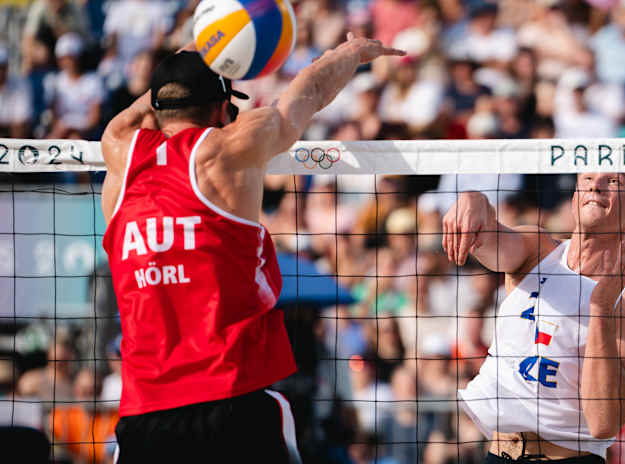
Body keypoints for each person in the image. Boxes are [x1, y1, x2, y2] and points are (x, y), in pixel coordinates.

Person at [99, 35, 403, 462]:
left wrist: (176, 72)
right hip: (232, 397)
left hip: (145, 411)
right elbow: (309, 92)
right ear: (222, 109)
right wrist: (348, 54)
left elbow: (125, 122)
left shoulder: (117, 160)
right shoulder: (229, 151)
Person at [443, 172, 625, 463]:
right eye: (587, 179)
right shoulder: (536, 249)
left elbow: (603, 423)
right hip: (499, 454)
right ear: (574, 199)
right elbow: (484, 238)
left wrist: (600, 310)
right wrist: (473, 199)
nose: (595, 186)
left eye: (613, 181)